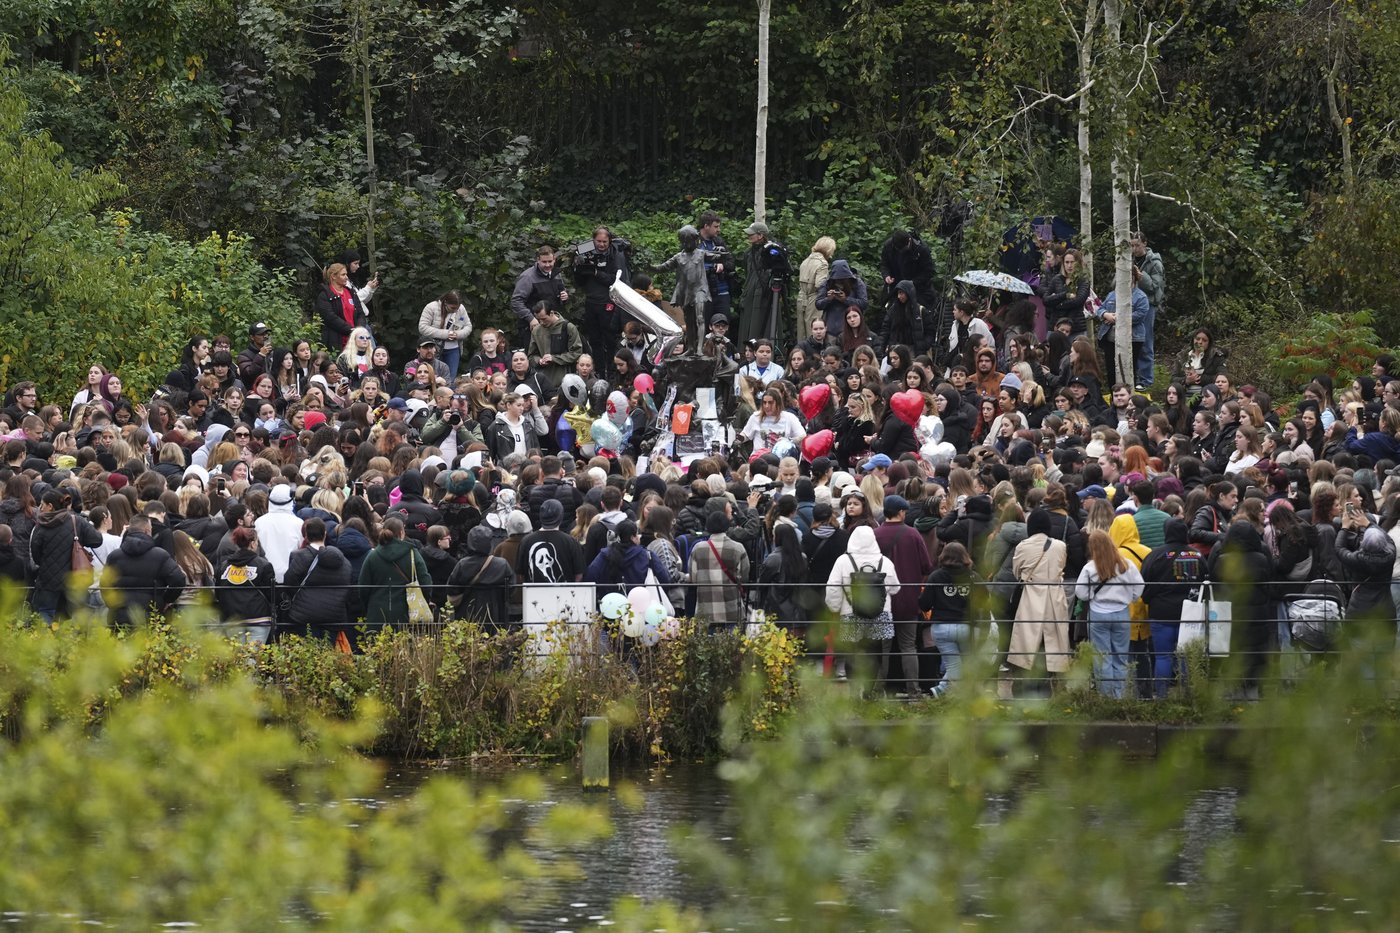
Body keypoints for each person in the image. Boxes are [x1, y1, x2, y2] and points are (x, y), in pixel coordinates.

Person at [825, 524, 900, 684]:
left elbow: (833, 588)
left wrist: (835, 607)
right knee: (874, 652)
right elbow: (895, 588)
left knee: (851, 651)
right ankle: (869, 690)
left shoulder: (843, 561)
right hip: (879, 613)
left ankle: (854, 690)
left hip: (850, 613)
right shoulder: (884, 561)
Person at [1074, 529, 1144, 699]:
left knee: (1102, 657)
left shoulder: (1090, 568)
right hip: (1121, 613)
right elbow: (1140, 587)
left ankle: (1106, 697)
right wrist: (1129, 598)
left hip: (1098, 614)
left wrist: (1092, 596)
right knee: (1121, 657)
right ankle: (1120, 696)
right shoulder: (1126, 565)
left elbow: (1081, 592)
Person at [1139, 518, 1205, 697]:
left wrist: (1149, 599)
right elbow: (1206, 583)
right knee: (1186, 657)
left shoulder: (1155, 555)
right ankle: (1187, 695)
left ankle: (1161, 696)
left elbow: (1143, 585)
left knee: (1162, 656)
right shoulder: (1197, 556)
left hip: (1161, 613)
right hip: (1190, 614)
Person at [875, 494, 933, 696]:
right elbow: (926, 566)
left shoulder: (875, 534)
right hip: (909, 600)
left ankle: (877, 692)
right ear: (901, 512)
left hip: (880, 602)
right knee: (908, 646)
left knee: (883, 649)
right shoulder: (912, 534)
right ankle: (913, 691)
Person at [29, 488, 103, 621]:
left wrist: (47, 563)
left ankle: (46, 639)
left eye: (42, 504)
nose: (40, 508)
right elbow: (97, 540)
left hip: (48, 578)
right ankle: (74, 640)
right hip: (75, 575)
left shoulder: (41, 525)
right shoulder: (77, 521)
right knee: (77, 613)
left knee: (45, 611)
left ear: (50, 506)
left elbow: (36, 554)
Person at [101, 513, 187, 629]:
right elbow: (178, 580)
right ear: (147, 531)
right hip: (151, 613)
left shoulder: (114, 556)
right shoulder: (160, 555)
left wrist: (112, 604)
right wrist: (166, 600)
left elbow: (105, 584)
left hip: (120, 615)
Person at [918, 541, 979, 697]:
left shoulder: (936, 576)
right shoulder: (973, 576)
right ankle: (964, 696)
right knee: (965, 664)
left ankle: (939, 692)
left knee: (953, 665)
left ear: (943, 556)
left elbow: (924, 605)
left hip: (942, 627)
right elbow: (985, 600)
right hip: (967, 627)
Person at [572, 226, 631, 377]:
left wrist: (596, 272)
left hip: (608, 300)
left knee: (610, 338)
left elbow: (615, 279)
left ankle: (612, 371)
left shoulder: (615, 253)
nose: (601, 244)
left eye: (605, 241)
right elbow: (578, 276)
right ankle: (598, 371)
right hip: (591, 300)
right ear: (593, 240)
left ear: (609, 241)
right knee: (595, 339)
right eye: (598, 241)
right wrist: (579, 266)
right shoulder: (586, 247)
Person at [282, 517, 353, 642]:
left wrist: (300, 597)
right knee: (328, 652)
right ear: (325, 534)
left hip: (304, 614)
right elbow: (347, 585)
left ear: (306, 535)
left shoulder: (299, 556)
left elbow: (289, 581)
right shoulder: (344, 562)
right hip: (333, 615)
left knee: (308, 652)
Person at [358, 515, 431, 629]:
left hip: (377, 613)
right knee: (405, 645)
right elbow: (425, 582)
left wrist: (367, 607)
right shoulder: (412, 553)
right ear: (402, 532)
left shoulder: (372, 556)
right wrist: (425, 600)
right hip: (407, 612)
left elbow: (363, 587)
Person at [214, 526, 277, 644]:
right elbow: (271, 594)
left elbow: (219, 592)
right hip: (258, 617)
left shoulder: (223, 566)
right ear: (253, 543)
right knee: (254, 658)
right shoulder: (264, 565)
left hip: (232, 618)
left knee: (238, 658)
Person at [689, 508, 750, 628]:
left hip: (705, 611)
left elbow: (693, 579)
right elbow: (744, 577)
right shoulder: (738, 548)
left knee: (707, 645)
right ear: (727, 526)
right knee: (733, 644)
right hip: (732, 609)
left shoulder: (698, 549)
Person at [448, 525, 516, 631]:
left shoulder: (463, 564)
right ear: (490, 542)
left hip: (467, 611)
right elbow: (511, 587)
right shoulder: (501, 564)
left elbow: (452, 588)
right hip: (495, 612)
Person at [511, 245, 570, 350]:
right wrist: (531, 319)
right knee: (534, 359)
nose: (548, 265)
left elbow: (559, 296)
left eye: (550, 261)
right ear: (538, 260)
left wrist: (564, 297)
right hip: (534, 326)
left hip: (554, 325)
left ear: (554, 260)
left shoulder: (556, 274)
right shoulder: (528, 277)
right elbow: (516, 301)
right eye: (544, 262)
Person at [518, 499, 585, 584]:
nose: (546, 562)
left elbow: (521, 576)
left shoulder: (526, 541)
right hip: (565, 595)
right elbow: (578, 575)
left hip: (533, 595)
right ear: (560, 517)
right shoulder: (571, 542)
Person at [1131, 232, 1165, 387]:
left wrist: (1140, 276)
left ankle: (1146, 380)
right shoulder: (1128, 259)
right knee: (1130, 341)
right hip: (1128, 305)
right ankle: (1132, 378)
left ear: (1145, 243)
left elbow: (1154, 286)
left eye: (1137, 245)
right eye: (1131, 245)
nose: (1134, 248)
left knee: (1145, 342)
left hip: (1147, 306)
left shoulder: (1154, 262)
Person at [527, 301, 584, 389]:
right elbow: (531, 356)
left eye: (544, 319)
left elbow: (577, 353)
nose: (541, 322)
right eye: (539, 319)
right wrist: (539, 360)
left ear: (552, 313)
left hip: (566, 381)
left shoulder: (568, 328)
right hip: (543, 382)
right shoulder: (536, 331)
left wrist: (554, 359)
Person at [254, 484, 304, 582]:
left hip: (265, 575)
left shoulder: (259, 522)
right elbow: (301, 548)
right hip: (289, 576)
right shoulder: (298, 523)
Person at [418, 291, 473, 378]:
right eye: (453, 308)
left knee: (450, 379)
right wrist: (445, 334)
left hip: (453, 349)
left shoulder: (461, 308)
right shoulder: (431, 307)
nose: (455, 311)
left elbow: (468, 326)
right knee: (433, 377)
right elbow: (422, 327)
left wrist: (458, 334)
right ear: (445, 303)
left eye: (457, 308)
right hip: (434, 349)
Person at [697, 211, 739, 322]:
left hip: (722, 292)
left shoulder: (719, 242)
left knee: (723, 326)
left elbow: (731, 263)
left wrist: (722, 265)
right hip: (703, 294)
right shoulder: (695, 243)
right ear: (706, 226)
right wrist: (709, 268)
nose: (718, 230)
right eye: (715, 227)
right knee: (704, 328)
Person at [816, 258, 870, 339]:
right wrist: (828, 299)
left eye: (842, 279)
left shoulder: (857, 283)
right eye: (837, 280)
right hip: (831, 327)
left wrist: (845, 299)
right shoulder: (826, 283)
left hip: (852, 328)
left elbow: (864, 303)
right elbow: (818, 304)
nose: (839, 282)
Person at [797, 236, 836, 336]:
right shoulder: (822, 263)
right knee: (814, 331)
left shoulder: (805, 261)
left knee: (801, 332)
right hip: (813, 298)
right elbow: (820, 284)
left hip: (801, 298)